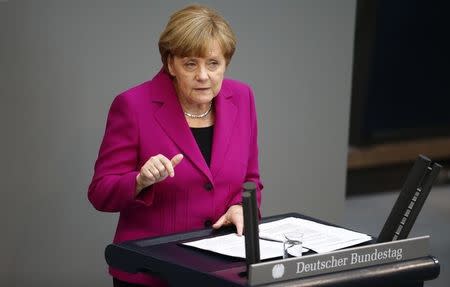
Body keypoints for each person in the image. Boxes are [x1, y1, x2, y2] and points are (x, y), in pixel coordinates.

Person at [88, 4, 263, 287]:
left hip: (221, 271)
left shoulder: (242, 98)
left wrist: (241, 208)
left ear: (225, 64)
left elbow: (251, 180)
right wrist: (140, 180)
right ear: (171, 63)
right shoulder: (133, 105)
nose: (203, 75)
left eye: (213, 63)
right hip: (152, 273)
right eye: (190, 63)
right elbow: (100, 193)